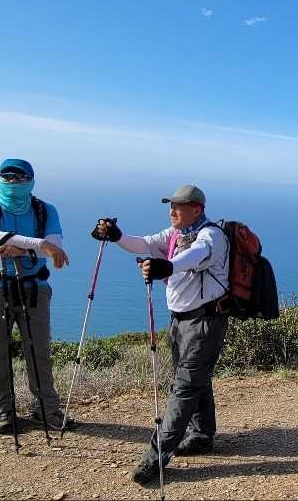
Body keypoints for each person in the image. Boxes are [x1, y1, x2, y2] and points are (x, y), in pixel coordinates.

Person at [90, 184, 231, 486]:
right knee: (193, 380)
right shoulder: (175, 234)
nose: (172, 211)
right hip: (181, 320)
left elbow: (194, 257)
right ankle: (201, 435)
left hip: (205, 322)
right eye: (171, 205)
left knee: (184, 386)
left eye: (178, 206)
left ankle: (155, 457)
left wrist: (165, 266)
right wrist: (116, 236)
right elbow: (143, 243)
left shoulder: (211, 236)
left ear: (196, 209)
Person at [0, 158, 71, 434]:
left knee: (39, 351)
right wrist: (40, 245)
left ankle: (46, 410)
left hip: (33, 288)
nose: (13, 182)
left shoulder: (45, 210)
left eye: (19, 177)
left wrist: (22, 249)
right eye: (7, 176)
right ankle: (3, 412)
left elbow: (56, 249)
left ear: (31, 181)